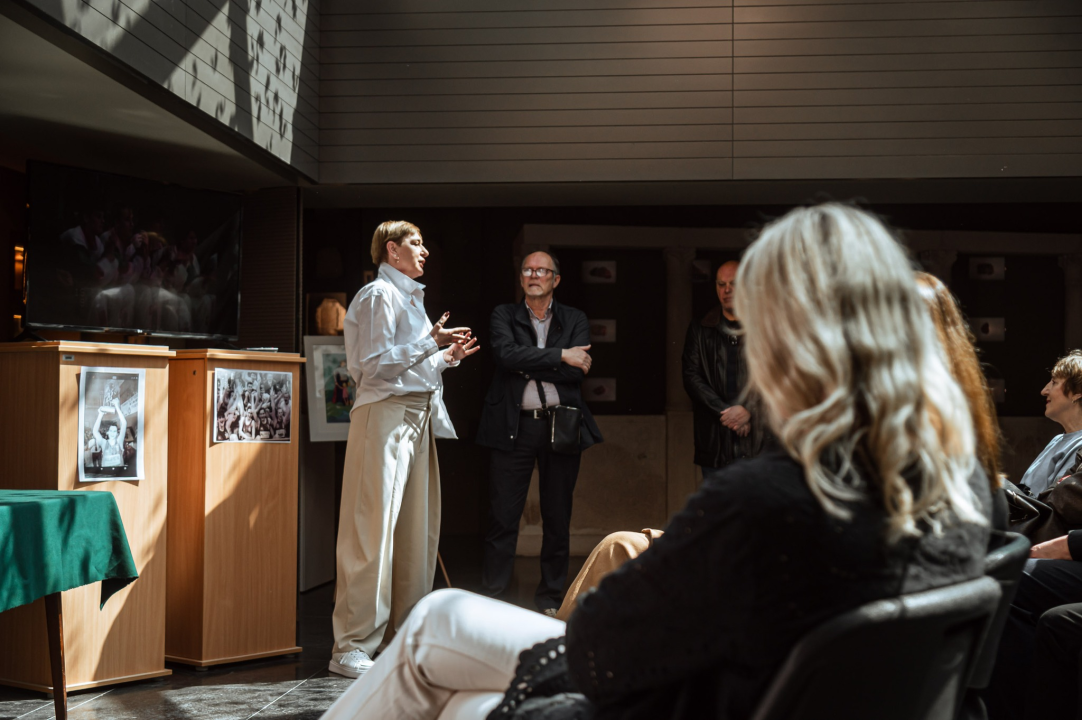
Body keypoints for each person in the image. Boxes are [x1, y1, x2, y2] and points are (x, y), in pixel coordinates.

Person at [320, 203, 991, 720]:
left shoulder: (766, 496)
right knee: (459, 684)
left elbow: (603, 647)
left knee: (443, 632)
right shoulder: (961, 488)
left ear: (793, 344)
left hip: (675, 698)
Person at [551, 269, 1011, 624]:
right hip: (842, 634)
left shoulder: (850, 460)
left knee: (619, 557)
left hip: (769, 628)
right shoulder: (974, 475)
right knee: (623, 548)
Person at [329, 221, 480, 680]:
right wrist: (429, 343)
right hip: (385, 415)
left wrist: (445, 356)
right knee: (370, 530)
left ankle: (403, 638)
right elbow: (372, 367)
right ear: (391, 251)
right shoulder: (378, 295)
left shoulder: (409, 296)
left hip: (416, 415)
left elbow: (411, 363)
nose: (425, 250)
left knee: (416, 532)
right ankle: (351, 645)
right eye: (416, 243)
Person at [476, 251, 604, 616]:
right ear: (521, 279)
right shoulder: (504, 315)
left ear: (555, 279)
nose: (534, 275)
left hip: (560, 425)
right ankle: (494, 601)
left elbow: (576, 374)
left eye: (542, 271)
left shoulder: (574, 318)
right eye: (528, 270)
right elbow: (505, 355)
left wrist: (531, 361)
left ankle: (550, 601)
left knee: (557, 517)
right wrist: (561, 355)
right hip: (512, 427)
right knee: (502, 517)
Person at [682, 260, 766, 482]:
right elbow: (691, 377)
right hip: (715, 444)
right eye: (721, 284)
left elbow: (777, 378)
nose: (726, 290)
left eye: (733, 284)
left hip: (759, 444)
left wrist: (748, 409)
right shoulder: (701, 328)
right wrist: (728, 414)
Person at [1016, 350, 1082, 496]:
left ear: (1078, 391)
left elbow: (1056, 504)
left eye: (1054, 382)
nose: (1044, 391)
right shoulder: (1058, 439)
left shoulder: (1080, 446)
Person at [93, 397, 126, 468]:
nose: (112, 433)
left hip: (119, 473)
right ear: (107, 432)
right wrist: (100, 414)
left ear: (117, 433)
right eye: (111, 431)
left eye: (114, 431)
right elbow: (95, 431)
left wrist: (117, 406)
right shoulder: (104, 443)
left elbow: (124, 423)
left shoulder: (119, 441)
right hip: (106, 473)